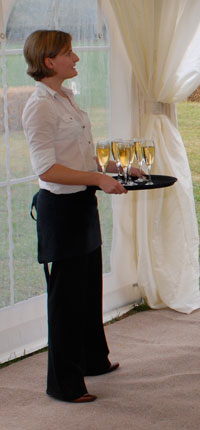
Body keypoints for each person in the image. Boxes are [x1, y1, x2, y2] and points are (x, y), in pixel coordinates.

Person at [22, 29, 139, 403]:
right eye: (68, 53)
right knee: (67, 300)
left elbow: (79, 155)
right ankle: (63, 384)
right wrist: (97, 179)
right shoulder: (39, 105)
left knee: (88, 290)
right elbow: (47, 170)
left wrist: (120, 169)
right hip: (61, 211)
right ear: (48, 61)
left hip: (82, 204)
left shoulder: (65, 99)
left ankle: (93, 360)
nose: (76, 58)